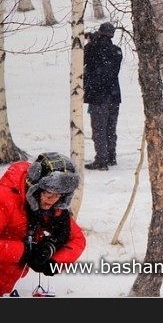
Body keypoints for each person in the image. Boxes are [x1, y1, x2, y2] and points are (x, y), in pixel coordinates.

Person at [0, 152, 87, 296]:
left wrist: (52, 257)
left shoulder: (52, 209)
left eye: (59, 195)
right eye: (49, 194)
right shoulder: (5, 199)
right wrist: (24, 252)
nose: (53, 200)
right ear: (35, 188)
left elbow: (77, 239)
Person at [83, 22, 123, 170]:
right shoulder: (117, 51)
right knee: (110, 128)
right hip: (114, 95)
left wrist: (92, 41)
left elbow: (81, 60)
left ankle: (101, 159)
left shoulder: (91, 49)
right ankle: (111, 156)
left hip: (98, 95)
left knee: (99, 128)